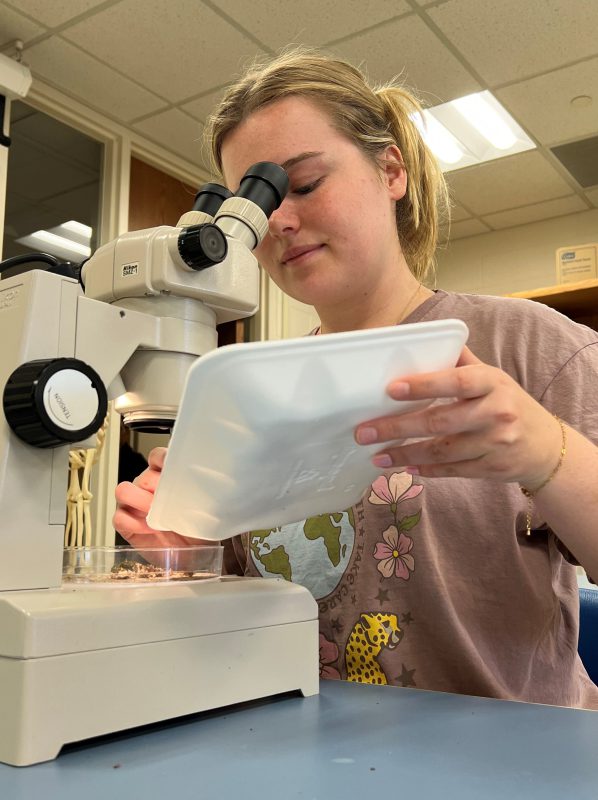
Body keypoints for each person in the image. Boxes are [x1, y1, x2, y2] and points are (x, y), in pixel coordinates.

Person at [114, 48, 598, 709]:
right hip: (306, 751)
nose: (279, 221)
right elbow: (232, 631)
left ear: (391, 170)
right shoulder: (252, 389)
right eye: (254, 206)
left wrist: (547, 454)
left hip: (505, 759)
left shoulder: (536, 348)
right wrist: (185, 560)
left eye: (305, 185)